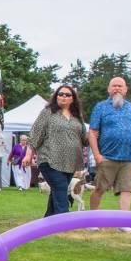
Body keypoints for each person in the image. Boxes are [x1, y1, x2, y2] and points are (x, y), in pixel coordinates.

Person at [28, 85, 87, 216]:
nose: (63, 97)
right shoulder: (48, 112)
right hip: (49, 159)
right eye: (60, 94)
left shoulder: (77, 116)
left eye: (67, 95)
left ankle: (48, 220)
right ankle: (64, 220)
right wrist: (28, 155)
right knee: (60, 186)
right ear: (56, 96)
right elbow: (35, 134)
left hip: (70, 162)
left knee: (58, 190)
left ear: (73, 99)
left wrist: (95, 134)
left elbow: (84, 138)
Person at [88, 77, 131, 232]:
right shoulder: (100, 107)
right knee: (99, 189)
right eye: (114, 86)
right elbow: (92, 132)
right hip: (107, 156)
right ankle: (92, 220)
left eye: (120, 86)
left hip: (128, 158)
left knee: (127, 189)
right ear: (109, 89)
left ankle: (123, 223)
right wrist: (97, 155)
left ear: (126, 89)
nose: (117, 88)